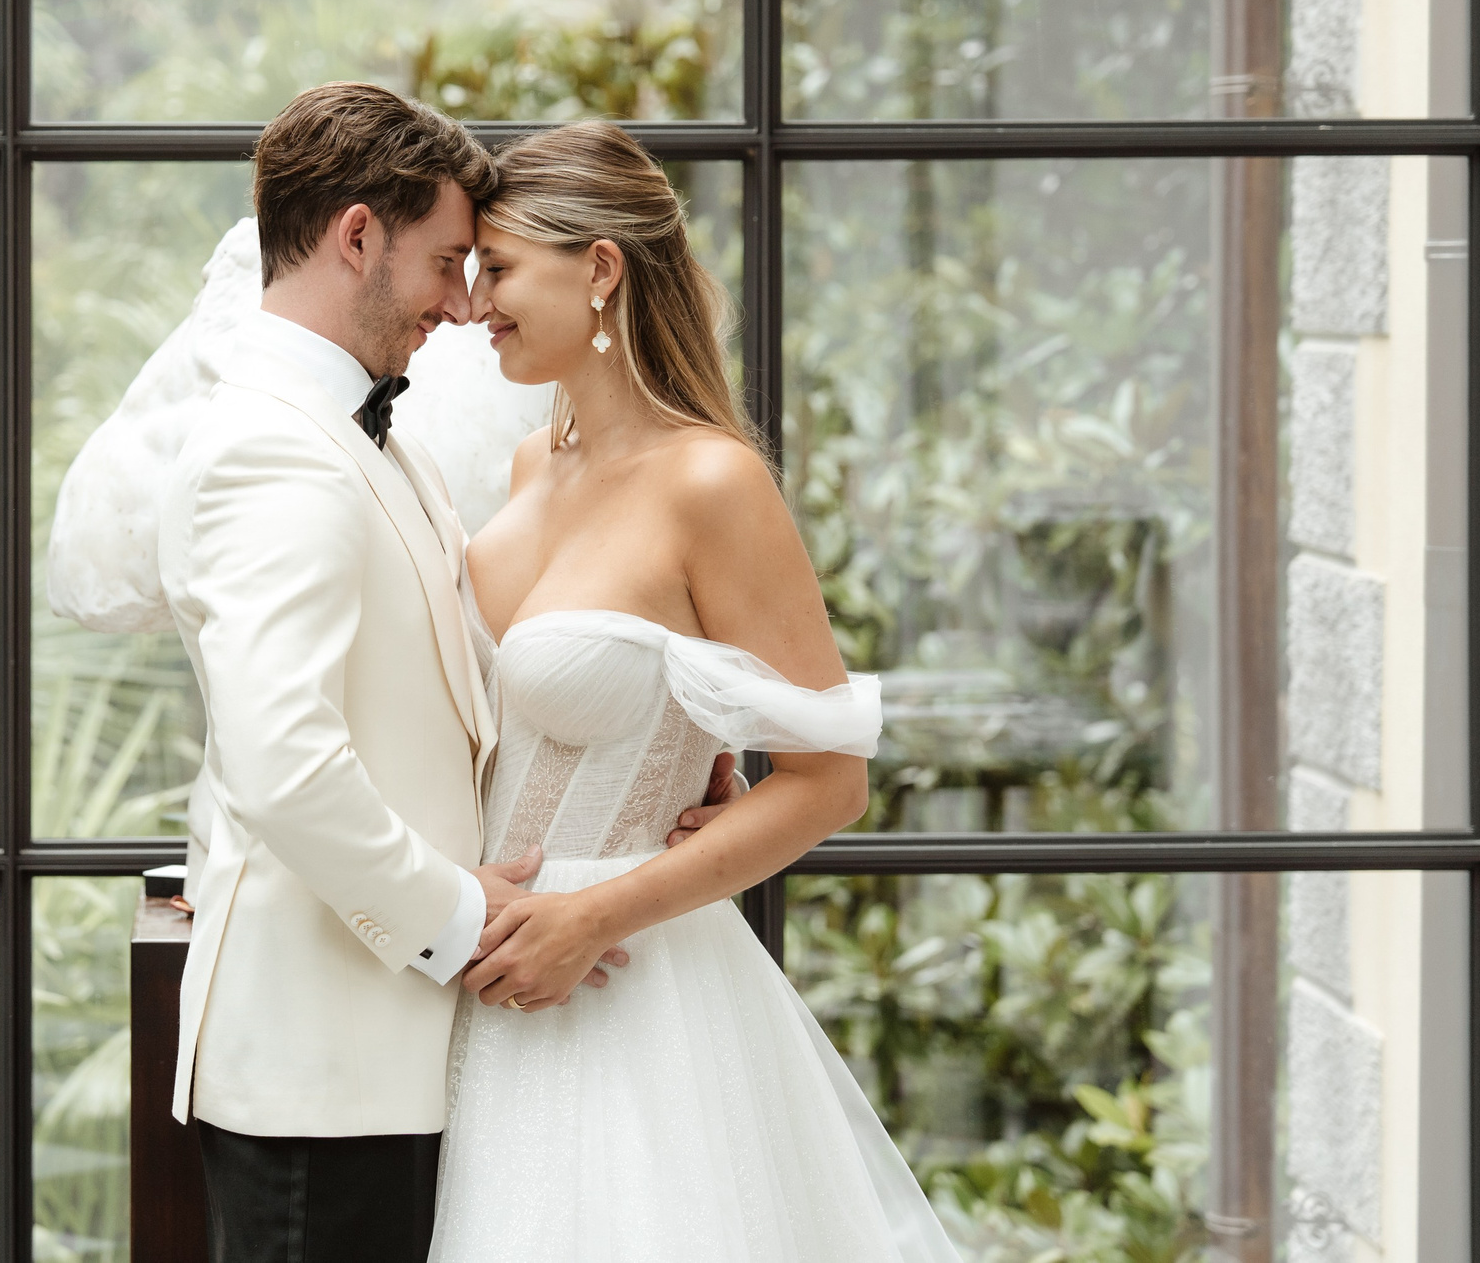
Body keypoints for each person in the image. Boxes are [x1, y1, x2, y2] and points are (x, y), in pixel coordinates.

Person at [155, 85, 736, 1263]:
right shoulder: (273, 447)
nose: (462, 304)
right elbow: (282, 763)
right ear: (355, 236)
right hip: (324, 1070)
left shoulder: (378, 443)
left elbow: (451, 694)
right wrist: (462, 922)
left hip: (407, 1056)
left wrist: (661, 751)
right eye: (445, 262)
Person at [426, 120, 961, 1263]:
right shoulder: (529, 465)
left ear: (599, 268)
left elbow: (828, 782)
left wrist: (591, 917)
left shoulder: (713, 482)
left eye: (498, 269)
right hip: (482, 971)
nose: (473, 305)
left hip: (623, 989)